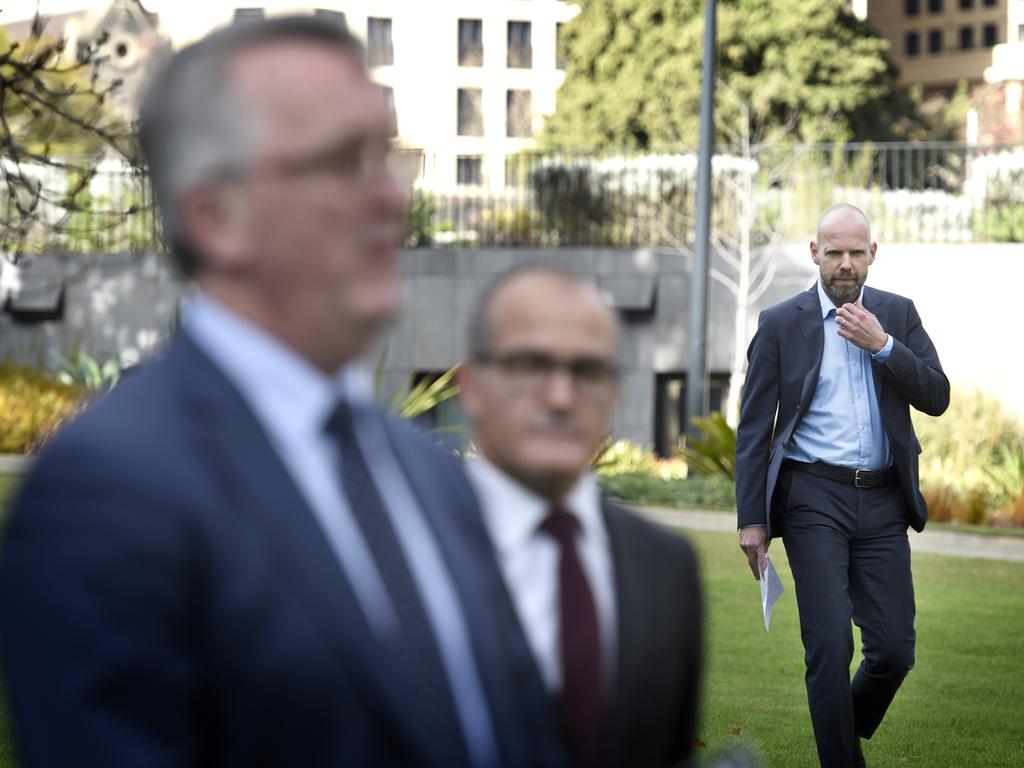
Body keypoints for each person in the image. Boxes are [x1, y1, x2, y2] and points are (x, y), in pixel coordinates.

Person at [0, 17, 563, 768]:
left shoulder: (428, 478)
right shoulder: (109, 490)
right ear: (215, 216)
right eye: (343, 161)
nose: (394, 197)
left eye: (390, 155)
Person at [457, 264, 704, 768]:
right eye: (531, 365)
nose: (561, 397)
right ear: (472, 385)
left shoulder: (667, 567)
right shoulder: (407, 547)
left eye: (588, 371)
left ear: (614, 392)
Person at [735, 204, 950, 768]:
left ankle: (839, 728)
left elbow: (936, 395)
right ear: (815, 254)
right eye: (835, 252)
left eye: (857, 252)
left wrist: (883, 345)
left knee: (894, 653)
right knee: (829, 645)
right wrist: (751, 518)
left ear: (873, 253)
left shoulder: (897, 315)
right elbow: (755, 428)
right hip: (812, 498)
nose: (846, 264)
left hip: (883, 501)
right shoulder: (782, 323)